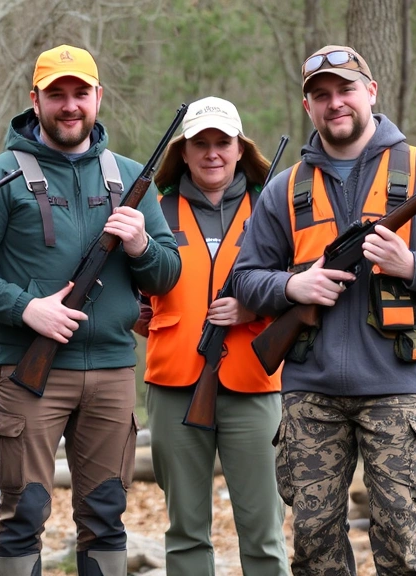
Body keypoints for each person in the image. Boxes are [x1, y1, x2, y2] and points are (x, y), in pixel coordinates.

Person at [233, 45, 416, 575]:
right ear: (307, 106)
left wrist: (412, 265)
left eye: (345, 90)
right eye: (321, 95)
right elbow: (245, 280)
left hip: (398, 389)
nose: (335, 103)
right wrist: (297, 287)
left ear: (371, 93)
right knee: (315, 549)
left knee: (405, 548)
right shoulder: (284, 189)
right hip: (309, 395)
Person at [0, 44, 181, 576]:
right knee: (23, 512)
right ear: (36, 100)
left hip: (113, 370)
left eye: (81, 93)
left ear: (99, 97)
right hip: (29, 373)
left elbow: (167, 275)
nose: (70, 105)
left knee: (106, 514)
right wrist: (26, 308)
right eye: (57, 94)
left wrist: (142, 245)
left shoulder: (128, 177)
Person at [141, 96, 288, 576]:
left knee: (264, 534)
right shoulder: (155, 211)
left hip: (254, 382)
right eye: (199, 143)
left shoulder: (274, 210)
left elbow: (303, 286)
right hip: (174, 386)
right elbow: (134, 298)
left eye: (222, 142)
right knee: (185, 533)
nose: (211, 153)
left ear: (240, 149)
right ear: (182, 152)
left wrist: (254, 305)